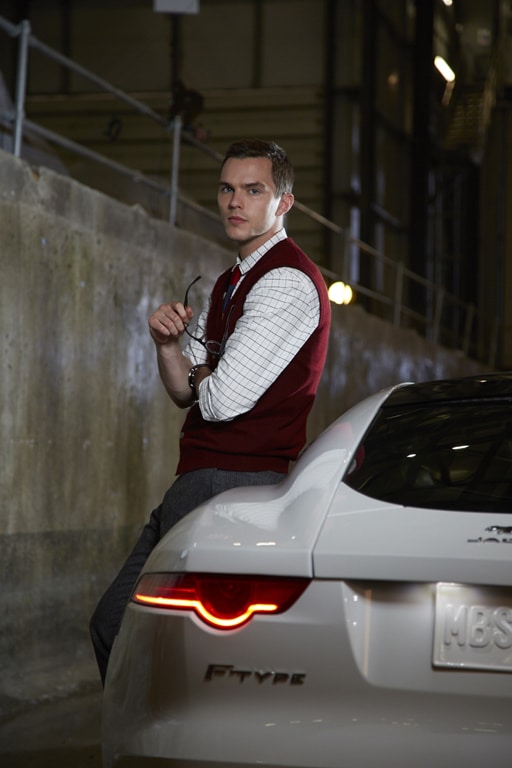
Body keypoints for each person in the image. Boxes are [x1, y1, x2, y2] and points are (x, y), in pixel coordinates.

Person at [90, 138, 331, 684]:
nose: (235, 201)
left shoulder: (286, 280)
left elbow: (219, 402)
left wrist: (202, 365)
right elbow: (185, 392)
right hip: (201, 480)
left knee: (162, 647)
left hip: (234, 485)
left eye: (253, 190)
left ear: (284, 202)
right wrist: (168, 346)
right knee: (120, 629)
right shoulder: (230, 281)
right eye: (227, 188)